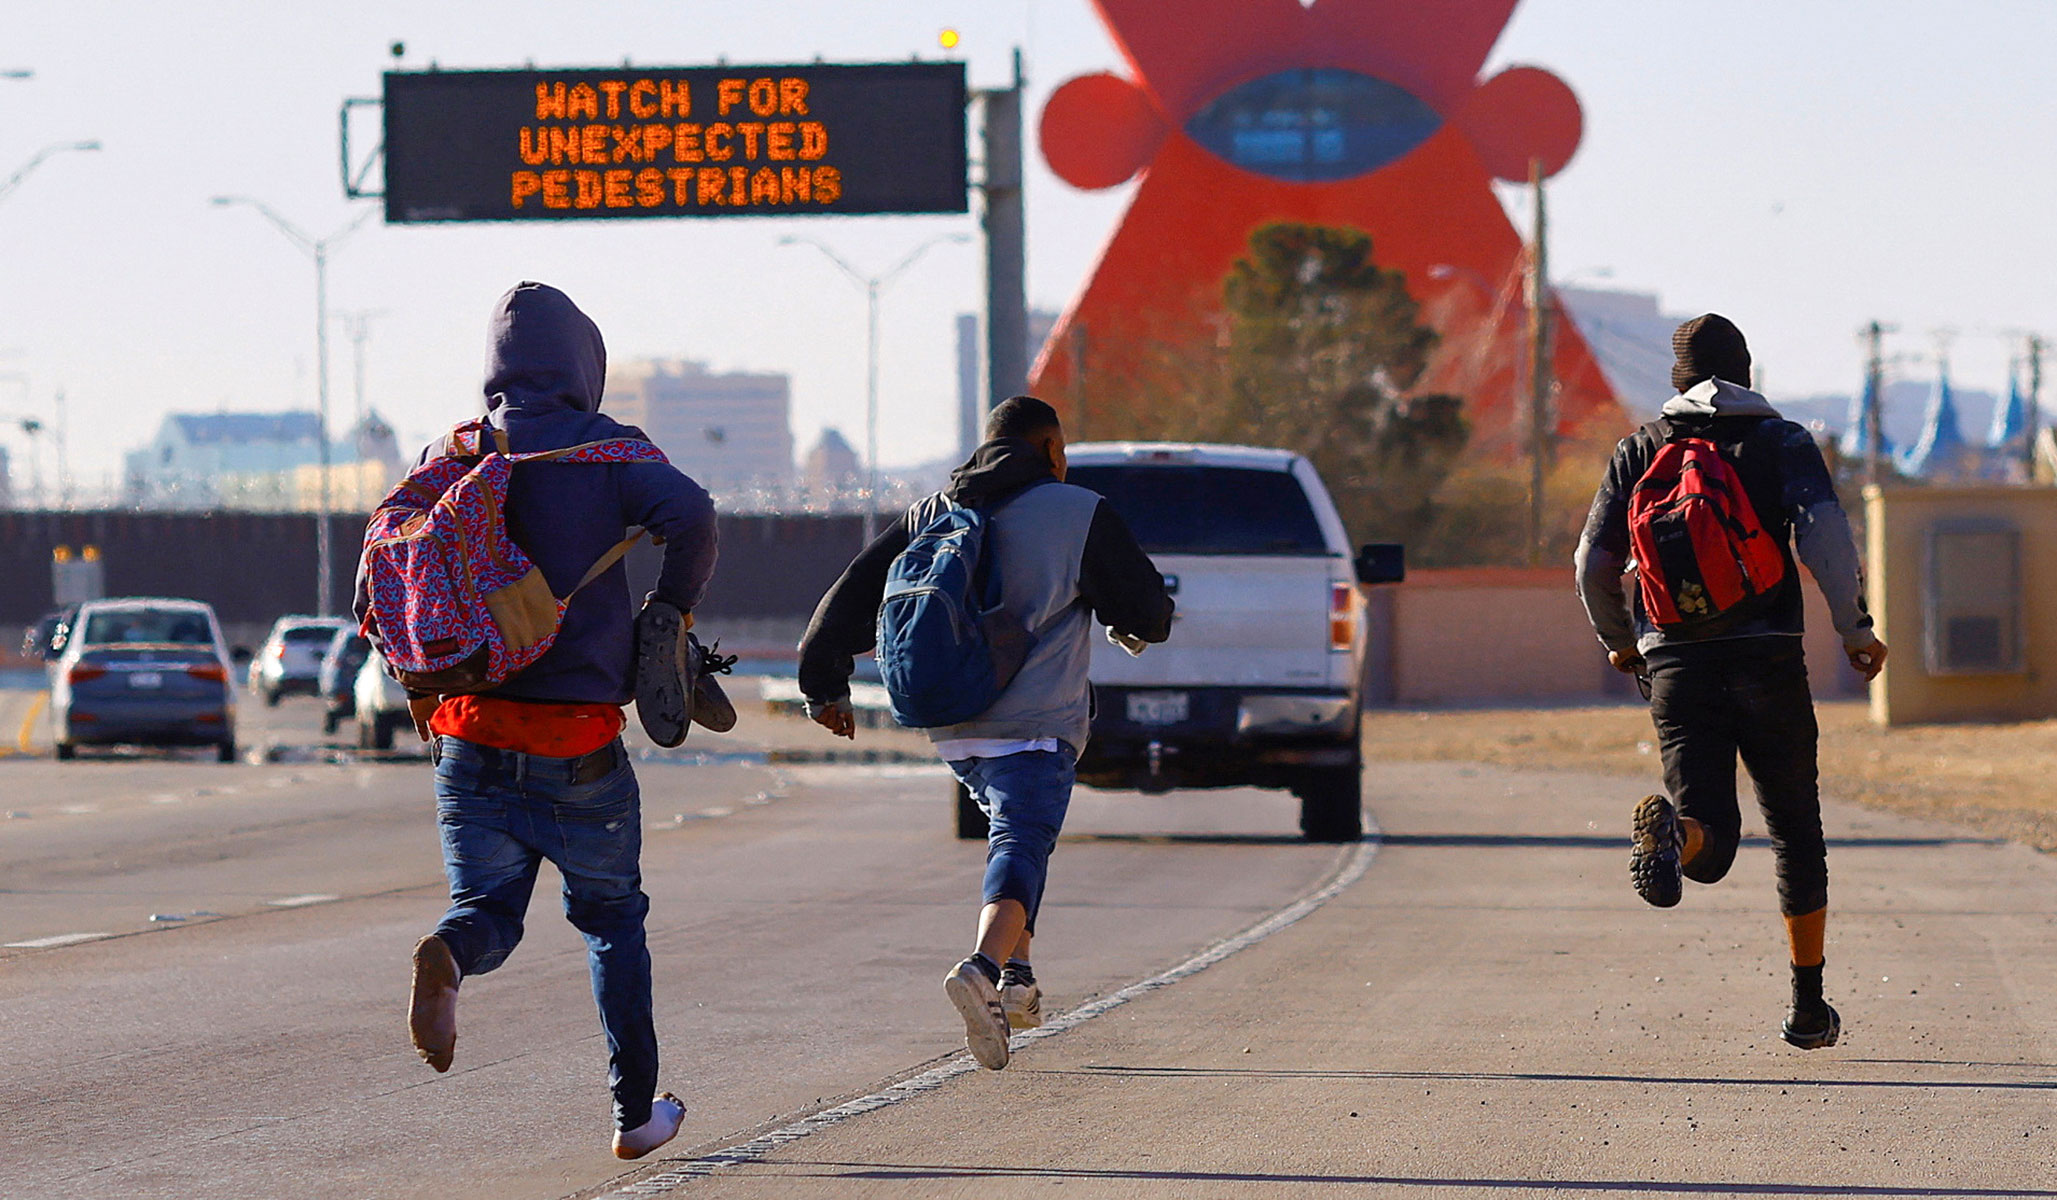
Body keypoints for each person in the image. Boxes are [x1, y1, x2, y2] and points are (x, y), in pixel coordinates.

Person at [357, 282, 718, 1158]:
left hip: (469, 732)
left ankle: (450, 955)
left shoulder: (451, 453)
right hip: (577, 741)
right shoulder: (609, 454)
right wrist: (670, 609)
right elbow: (693, 514)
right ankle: (634, 1115)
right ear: (583, 363)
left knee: (487, 908)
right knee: (611, 923)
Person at [796, 396, 1174, 1070]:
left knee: (1018, 836)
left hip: (950, 725)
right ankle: (982, 969)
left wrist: (823, 685)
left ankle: (1017, 979)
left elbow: (850, 596)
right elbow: (1149, 611)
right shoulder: (1077, 511)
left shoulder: (932, 512)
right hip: (1034, 724)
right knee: (1020, 841)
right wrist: (1125, 615)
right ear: (1050, 449)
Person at [1575, 313, 1888, 1050]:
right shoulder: (1781, 441)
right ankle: (1807, 1006)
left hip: (1675, 662)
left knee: (1710, 844)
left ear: (1676, 379)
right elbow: (1827, 538)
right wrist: (1854, 629)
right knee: (1795, 829)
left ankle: (1674, 835)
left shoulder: (1640, 448)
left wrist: (1621, 646)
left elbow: (1592, 562)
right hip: (1768, 656)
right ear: (1745, 371)